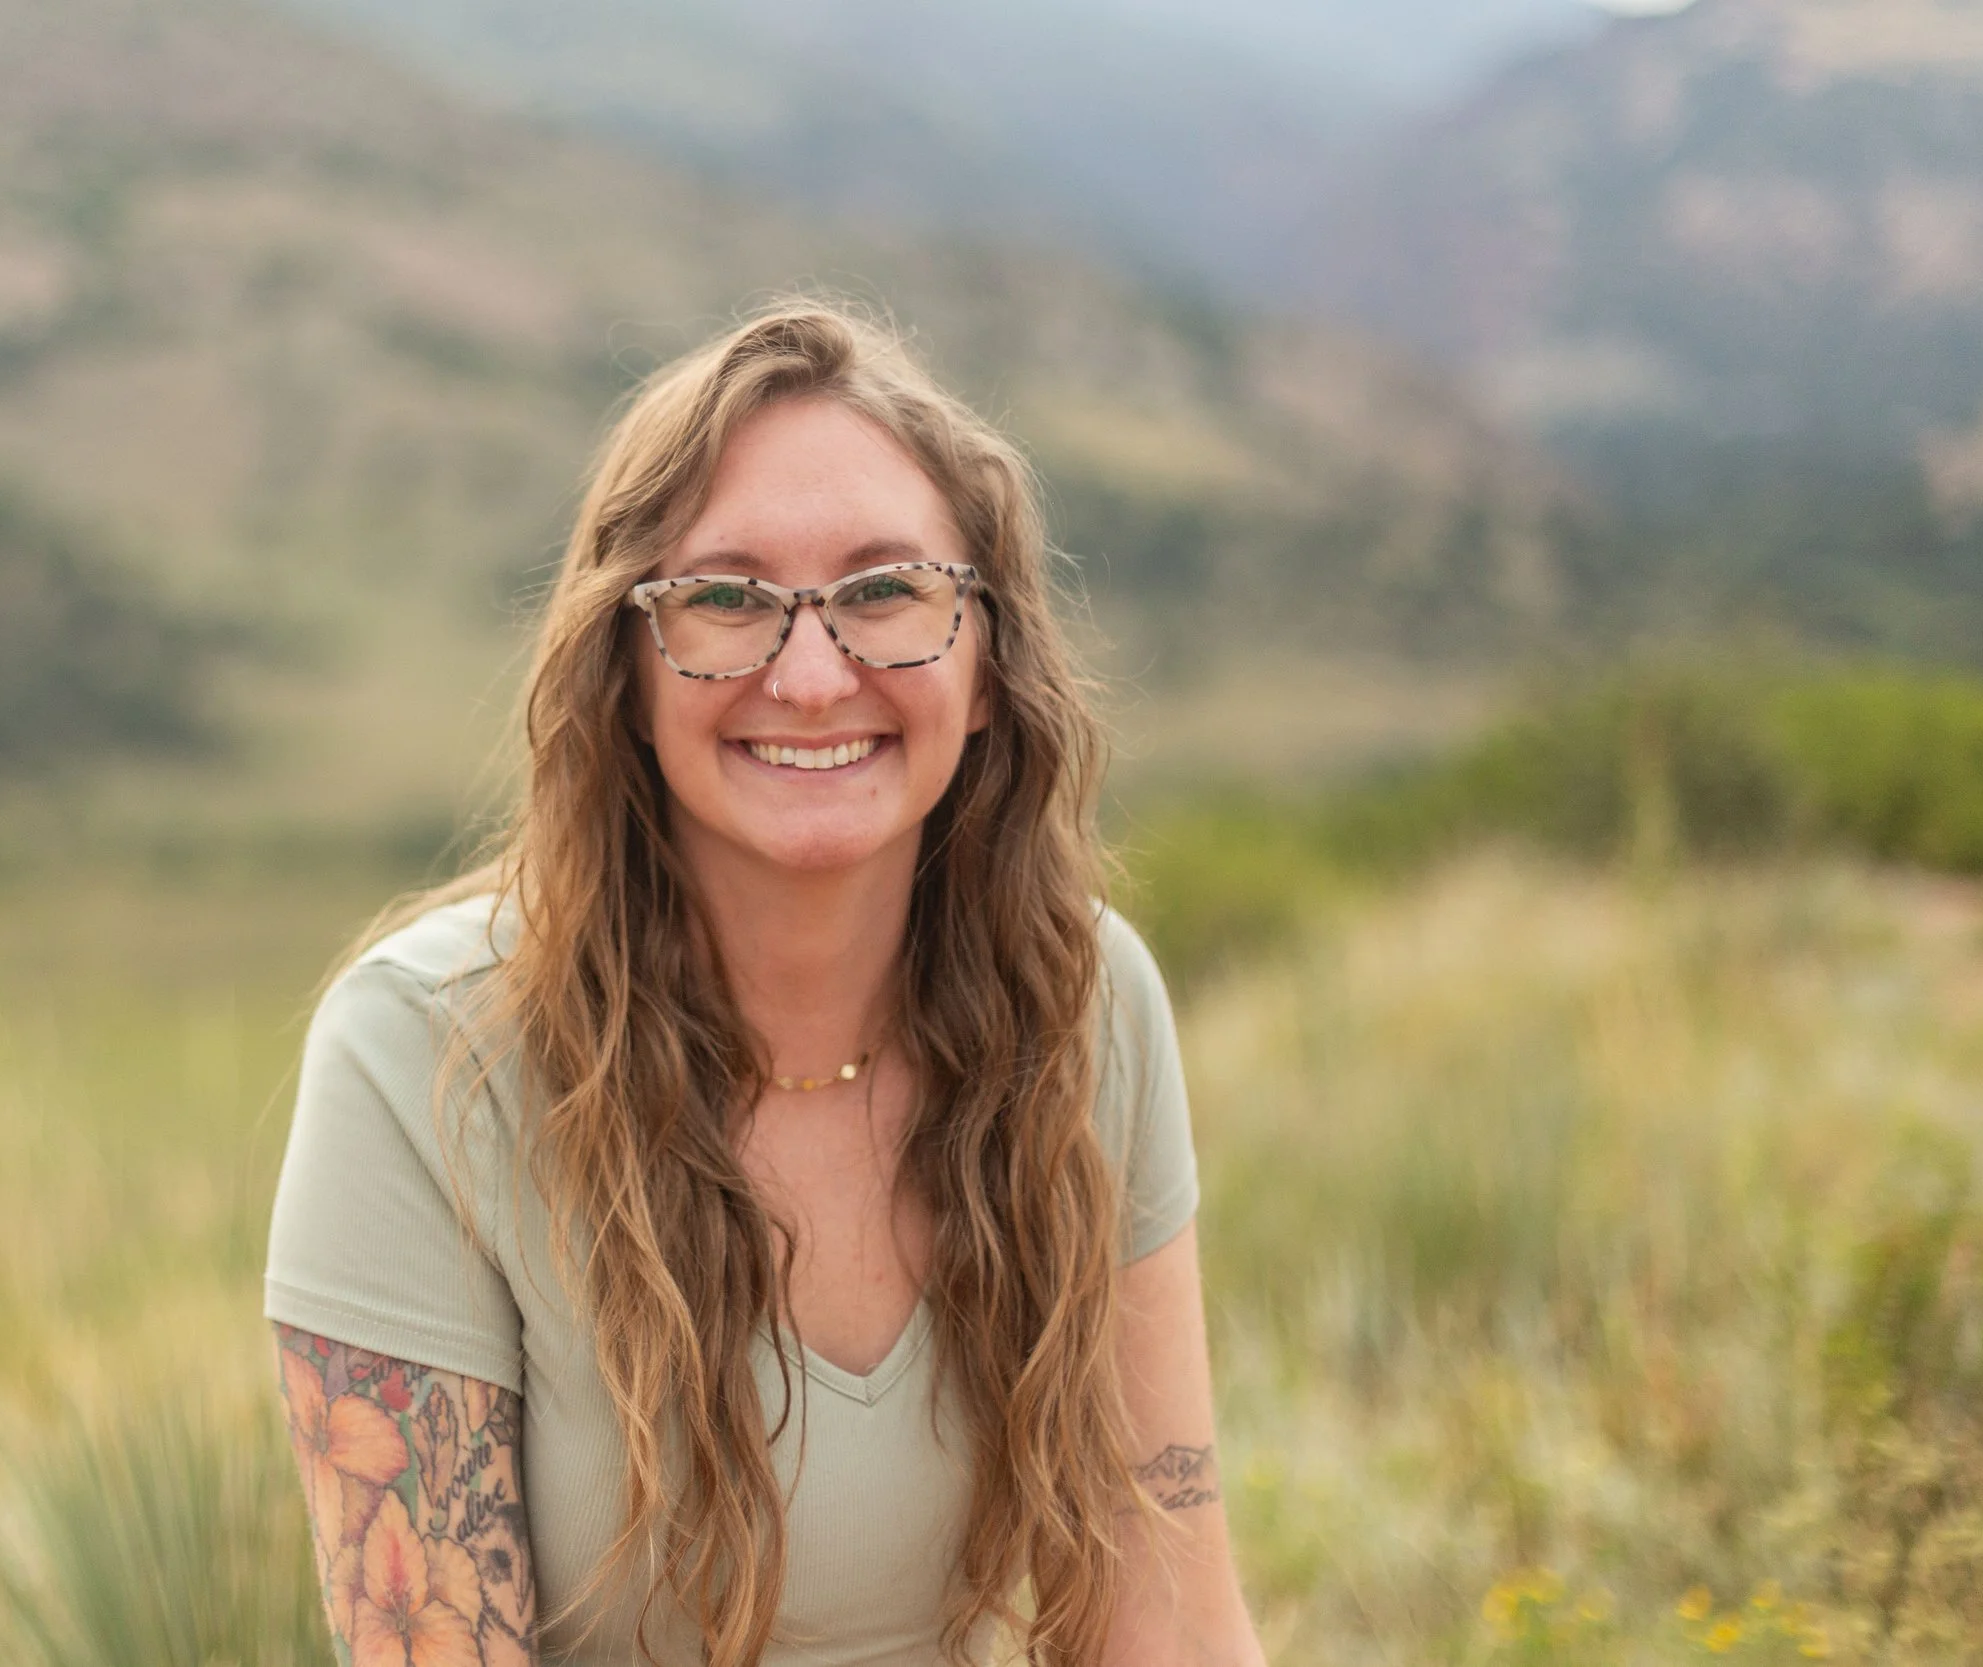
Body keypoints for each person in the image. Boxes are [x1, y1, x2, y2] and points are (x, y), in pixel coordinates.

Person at [265, 302, 1266, 1667]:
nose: (808, 673)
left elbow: (1170, 1624)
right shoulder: (420, 1058)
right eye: (725, 598)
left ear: (987, 667)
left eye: (885, 592)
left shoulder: (1083, 1004)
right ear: (624, 671)